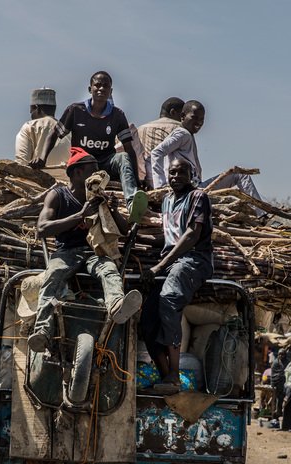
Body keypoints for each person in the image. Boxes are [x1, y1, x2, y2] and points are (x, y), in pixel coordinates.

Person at [27, 147, 143, 354]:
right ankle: (42, 330)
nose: (98, 175)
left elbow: (124, 231)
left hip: (95, 252)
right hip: (66, 251)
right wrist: (80, 216)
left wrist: (113, 210)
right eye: (93, 170)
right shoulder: (58, 195)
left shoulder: (99, 197)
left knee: (109, 270)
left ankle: (116, 305)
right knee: (53, 276)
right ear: (78, 172)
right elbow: (42, 229)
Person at [139, 158, 213, 395]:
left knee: (169, 297)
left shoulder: (198, 197)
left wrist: (159, 266)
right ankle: (164, 376)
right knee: (147, 322)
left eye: (182, 172)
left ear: (191, 174)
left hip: (194, 259)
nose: (176, 177)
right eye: (172, 173)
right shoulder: (167, 201)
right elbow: (169, 236)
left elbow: (191, 235)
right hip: (171, 263)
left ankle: (174, 373)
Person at [30, 71, 146, 214]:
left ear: (111, 90)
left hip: (105, 163)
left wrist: (137, 179)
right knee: (84, 164)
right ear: (90, 89)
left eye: (105, 86)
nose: (101, 89)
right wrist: (42, 157)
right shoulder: (76, 110)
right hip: (82, 164)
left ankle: (132, 202)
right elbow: (54, 134)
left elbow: (129, 148)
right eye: (97, 85)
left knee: (122, 157)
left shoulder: (117, 115)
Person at [148, 101, 267, 212]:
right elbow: (157, 152)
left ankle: (260, 213)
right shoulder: (182, 133)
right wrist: (160, 186)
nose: (199, 122)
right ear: (183, 116)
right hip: (191, 189)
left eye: (202, 119)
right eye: (194, 117)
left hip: (194, 187)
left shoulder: (187, 134)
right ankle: (262, 214)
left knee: (237, 176)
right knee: (240, 175)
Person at [136, 97, 185, 188]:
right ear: (173, 112)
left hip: (144, 183)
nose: (183, 119)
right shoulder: (181, 129)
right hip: (171, 183)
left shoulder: (141, 129)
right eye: (182, 116)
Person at [15, 87, 70, 167]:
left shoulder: (29, 126)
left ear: (37, 108)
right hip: (67, 178)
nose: (31, 113)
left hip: (39, 178)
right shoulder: (67, 129)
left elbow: (21, 163)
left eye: (31, 110)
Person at [269, 350, 287, 425]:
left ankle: (279, 414)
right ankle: (274, 416)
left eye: (282, 354)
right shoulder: (275, 363)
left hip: (283, 385)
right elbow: (273, 374)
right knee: (275, 401)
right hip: (276, 385)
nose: (281, 356)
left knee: (281, 401)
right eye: (280, 354)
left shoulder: (286, 362)